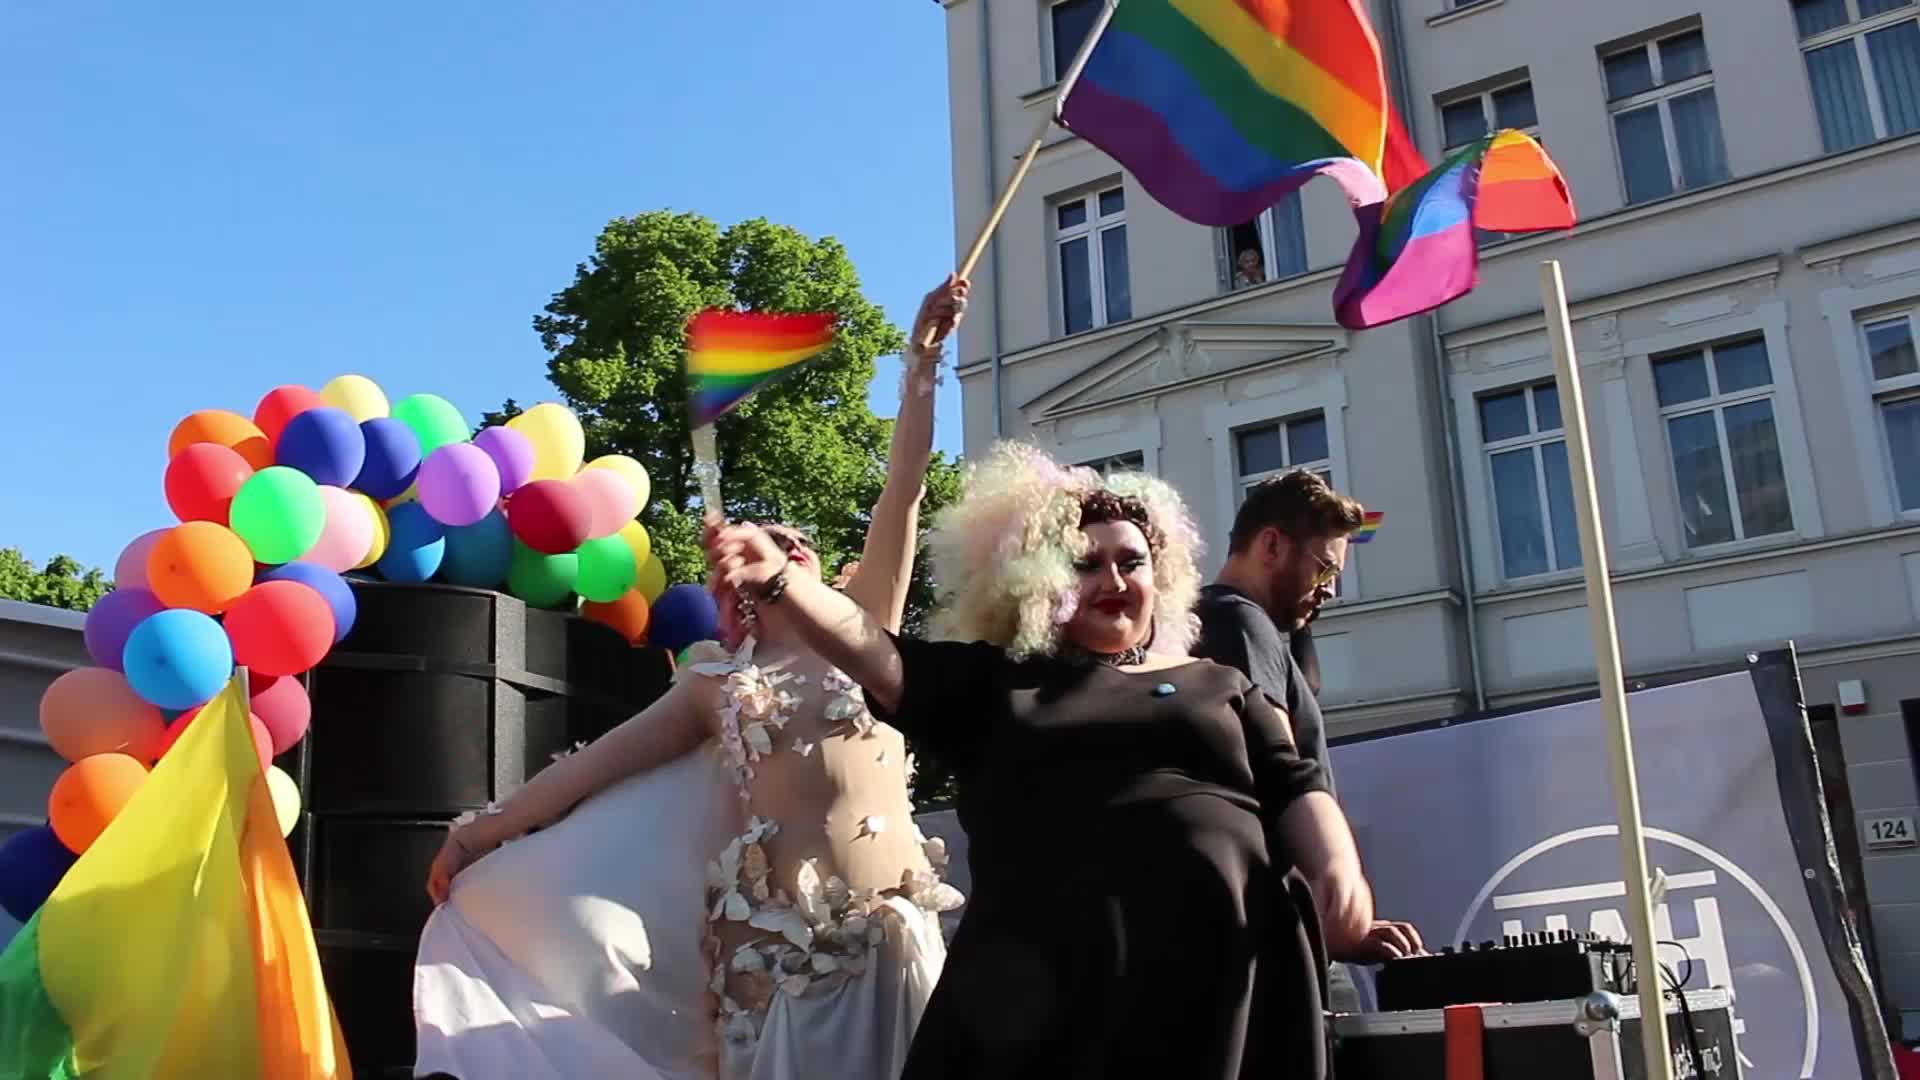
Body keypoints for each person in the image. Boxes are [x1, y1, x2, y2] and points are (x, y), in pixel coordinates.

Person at [411, 276, 970, 1080]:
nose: (779, 552)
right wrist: (477, 834)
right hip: (775, 974)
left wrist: (922, 362)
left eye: (791, 545)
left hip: (894, 950)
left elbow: (904, 491)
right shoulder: (714, 686)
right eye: (760, 545)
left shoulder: (864, 629)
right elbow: (587, 771)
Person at [706, 443, 1375, 1080]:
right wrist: (783, 582)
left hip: (1220, 977)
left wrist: (1338, 872)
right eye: (1087, 564)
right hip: (1049, 994)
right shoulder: (998, 686)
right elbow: (873, 652)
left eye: (1132, 562)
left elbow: (1295, 783)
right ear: (1043, 581)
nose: (1114, 579)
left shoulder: (1220, 685)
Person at [1192, 469, 1425, 1012]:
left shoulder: (1230, 623)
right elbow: (1277, 768)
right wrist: (1336, 888)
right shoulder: (1240, 622)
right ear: (1271, 544)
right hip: (1280, 936)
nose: (1330, 590)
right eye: (1323, 569)